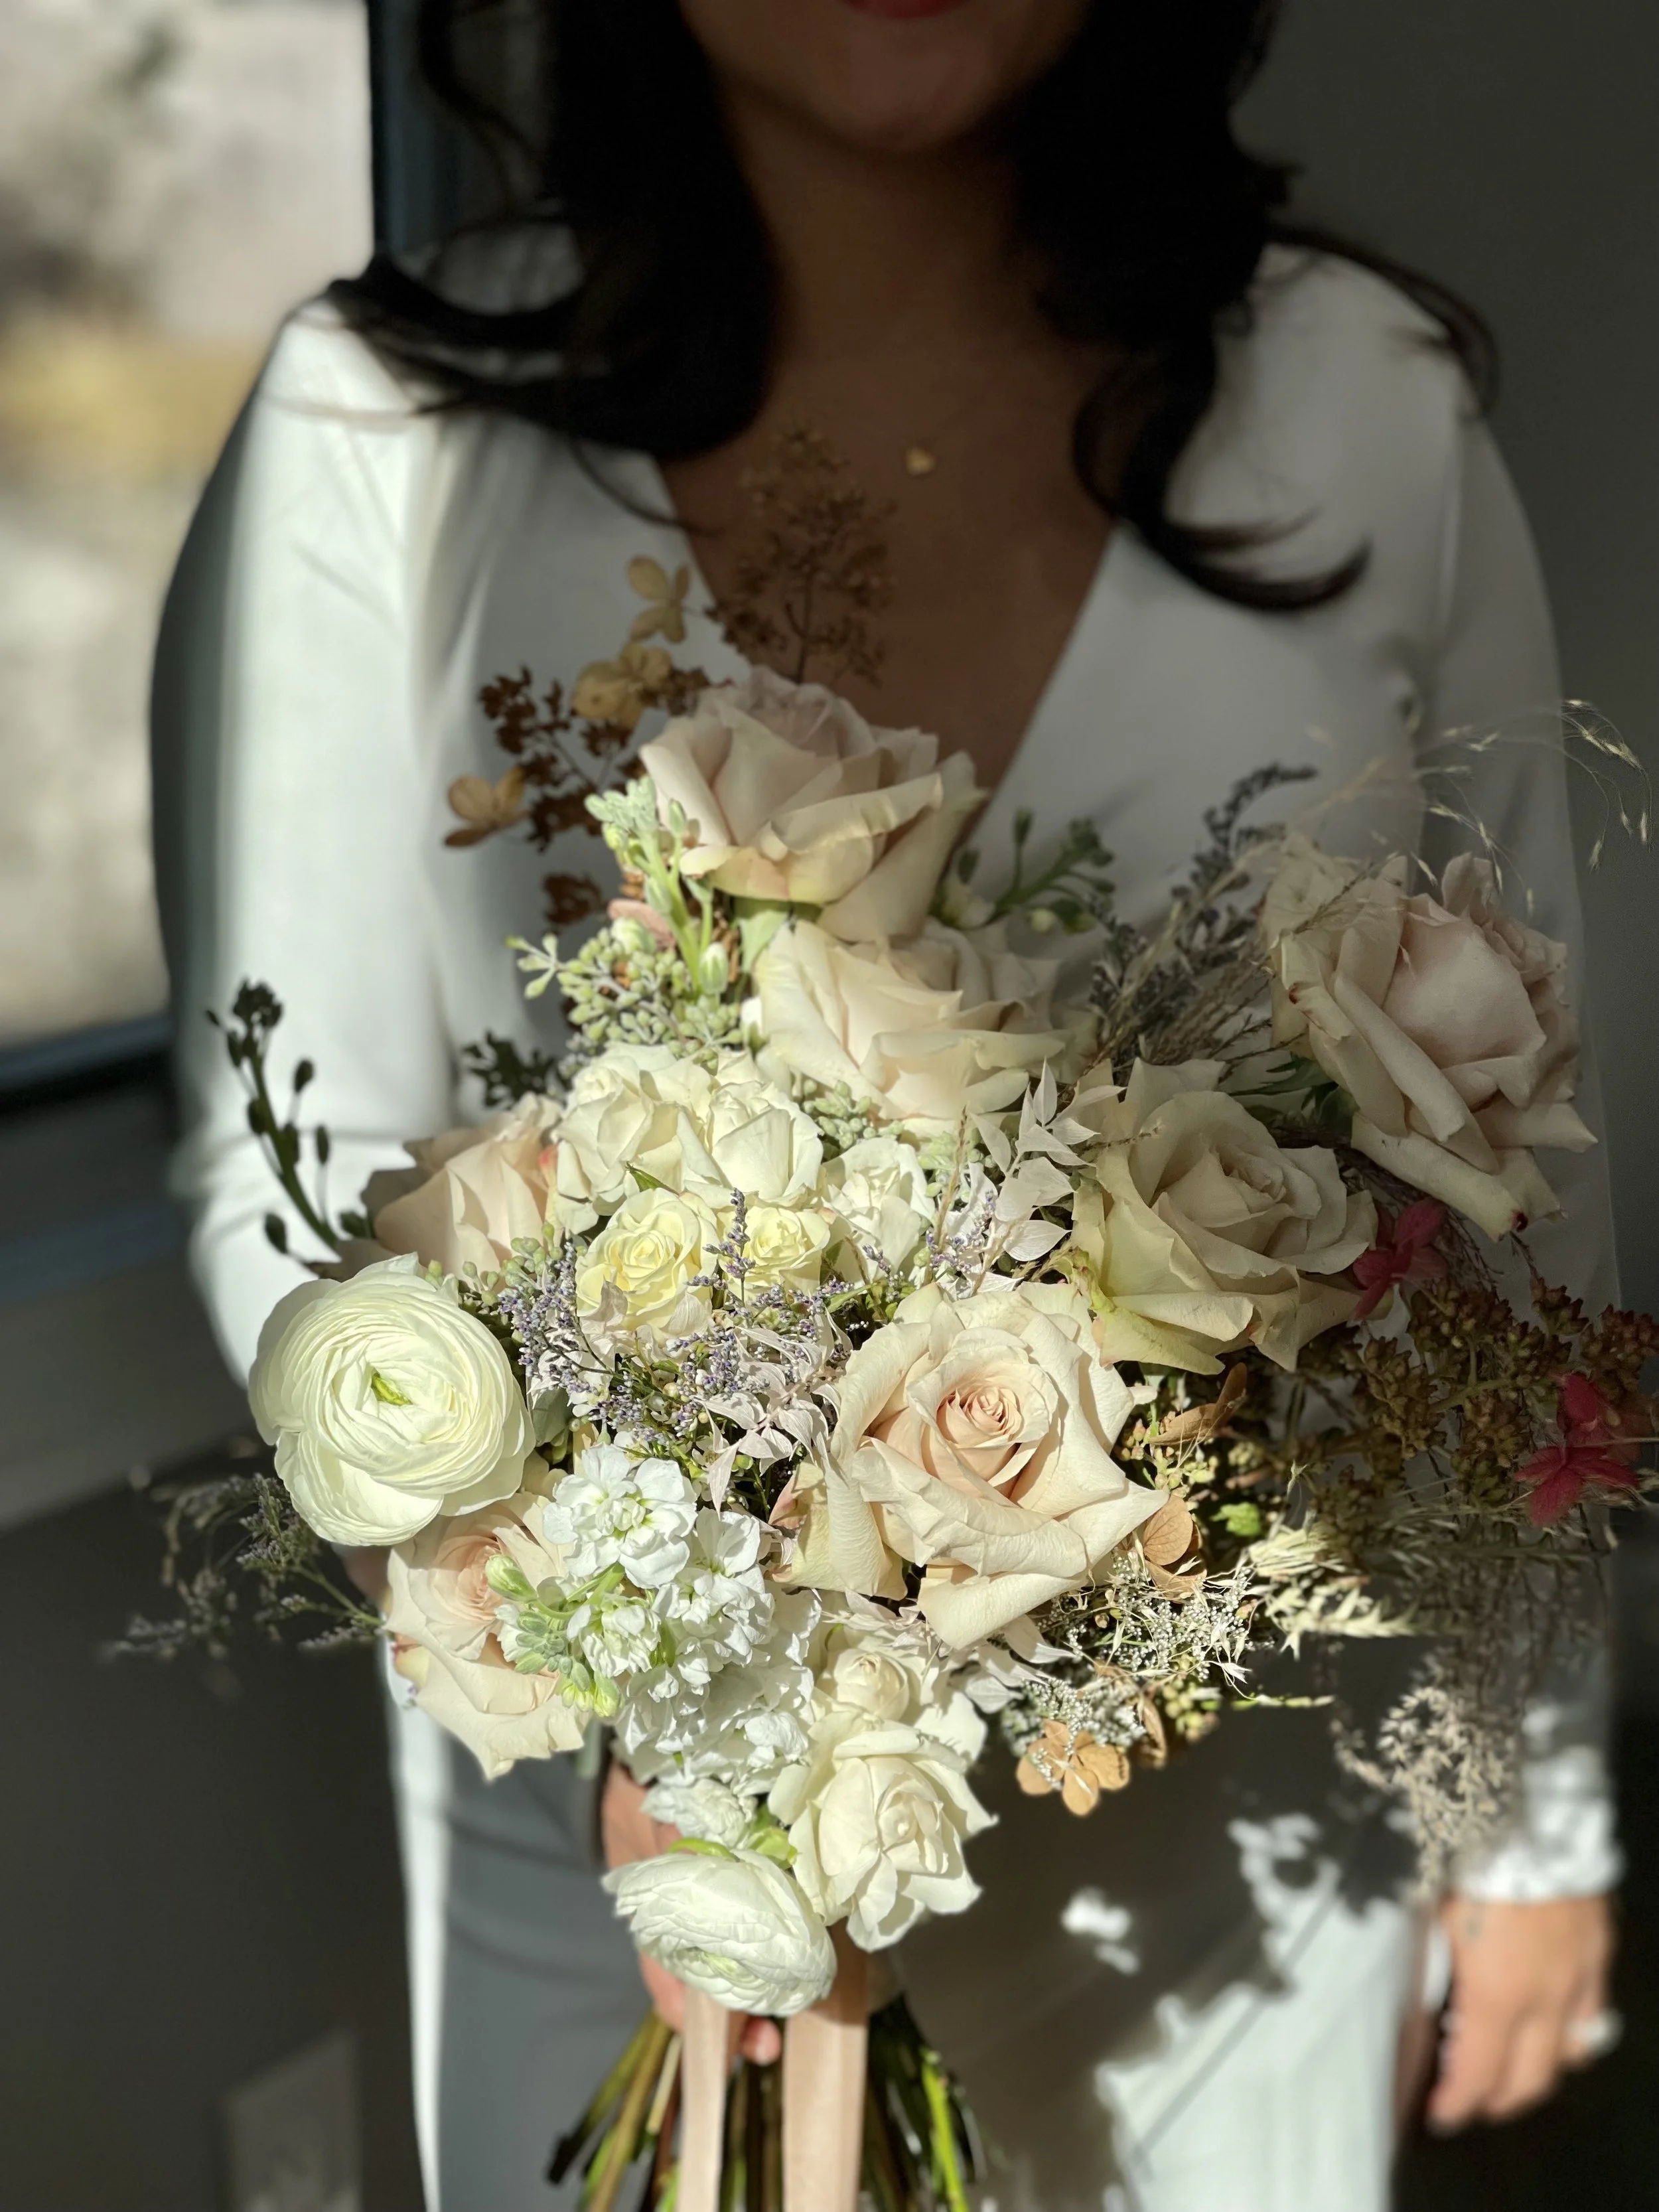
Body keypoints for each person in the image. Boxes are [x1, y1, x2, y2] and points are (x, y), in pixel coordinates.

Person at [151, 3, 1621, 2207]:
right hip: (633, 1860)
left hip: (1231, 1855)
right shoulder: (386, 426)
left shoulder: (1355, 399)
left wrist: (1530, 1807)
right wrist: (650, 1704)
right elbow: (291, 1167)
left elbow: (1521, 1155)